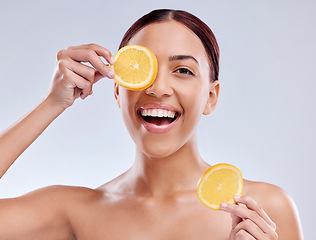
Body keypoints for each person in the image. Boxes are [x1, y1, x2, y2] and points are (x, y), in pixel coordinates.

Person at [0, 9, 303, 240]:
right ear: (118, 92)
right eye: (143, 69)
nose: (158, 88)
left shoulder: (262, 209)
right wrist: (52, 103)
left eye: (182, 70)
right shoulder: (75, 212)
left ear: (211, 97)